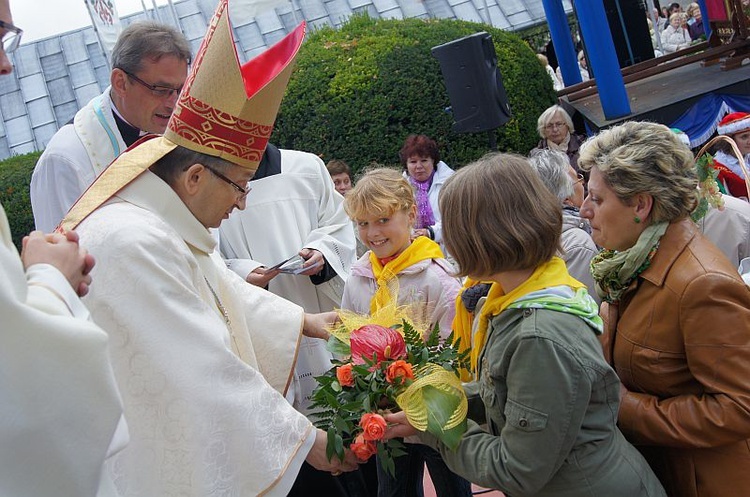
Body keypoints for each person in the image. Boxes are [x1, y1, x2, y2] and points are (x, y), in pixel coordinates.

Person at [58, 2, 357, 495]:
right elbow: (199, 368)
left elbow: (218, 290)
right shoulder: (135, 241)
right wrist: (306, 441)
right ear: (195, 176)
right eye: (240, 187)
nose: (241, 204)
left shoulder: (160, 225)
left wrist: (304, 321)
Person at [383, 153, 666, 497]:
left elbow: (516, 468)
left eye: (454, 229)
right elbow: (505, 392)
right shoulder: (521, 296)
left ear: (481, 238)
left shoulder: (538, 334)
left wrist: (435, 427)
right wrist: (435, 398)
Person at [577, 121, 750, 497]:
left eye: (597, 198)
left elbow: (740, 409)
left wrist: (626, 407)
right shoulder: (633, 263)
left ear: (640, 204)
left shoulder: (701, 285)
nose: (584, 209)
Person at [0, 3, 127, 496]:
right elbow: (17, 366)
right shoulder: (65, 155)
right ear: (121, 81)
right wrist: (53, 277)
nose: (8, 63)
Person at [218, 143, 360, 496]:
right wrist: (243, 271)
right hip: (259, 316)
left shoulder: (307, 166)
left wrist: (322, 253)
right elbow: (207, 255)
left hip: (316, 302)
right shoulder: (213, 178)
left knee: (350, 428)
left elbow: (339, 223)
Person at [341, 168, 471, 497]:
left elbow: (453, 349)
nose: (373, 233)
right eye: (363, 223)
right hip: (385, 413)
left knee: (453, 487)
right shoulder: (359, 277)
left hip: (434, 414)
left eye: (383, 219)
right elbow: (347, 337)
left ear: (411, 213)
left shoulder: (435, 277)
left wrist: (425, 399)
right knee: (394, 491)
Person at [30, 21, 191, 232]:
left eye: (182, 89)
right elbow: (61, 256)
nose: (174, 103)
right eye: (161, 89)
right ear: (120, 82)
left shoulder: (177, 129)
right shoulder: (67, 158)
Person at [528, 148, 600, 304]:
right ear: (567, 199)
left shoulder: (526, 233)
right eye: (579, 179)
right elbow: (586, 312)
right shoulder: (578, 244)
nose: (583, 183)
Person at [399, 134, 455, 255]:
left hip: (451, 253)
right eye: (413, 162)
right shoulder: (399, 189)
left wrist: (430, 233)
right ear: (406, 165)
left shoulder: (452, 183)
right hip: (416, 252)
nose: (419, 166)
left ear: (433, 161)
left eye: (424, 160)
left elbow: (456, 220)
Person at [532, 104, 587, 173]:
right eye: (549, 126)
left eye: (559, 124)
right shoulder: (536, 155)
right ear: (543, 129)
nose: (555, 129)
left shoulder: (584, 146)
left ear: (567, 125)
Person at [712, 111, 750, 199]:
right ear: (729, 140)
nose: (749, 141)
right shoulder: (716, 168)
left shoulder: (747, 157)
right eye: (744, 137)